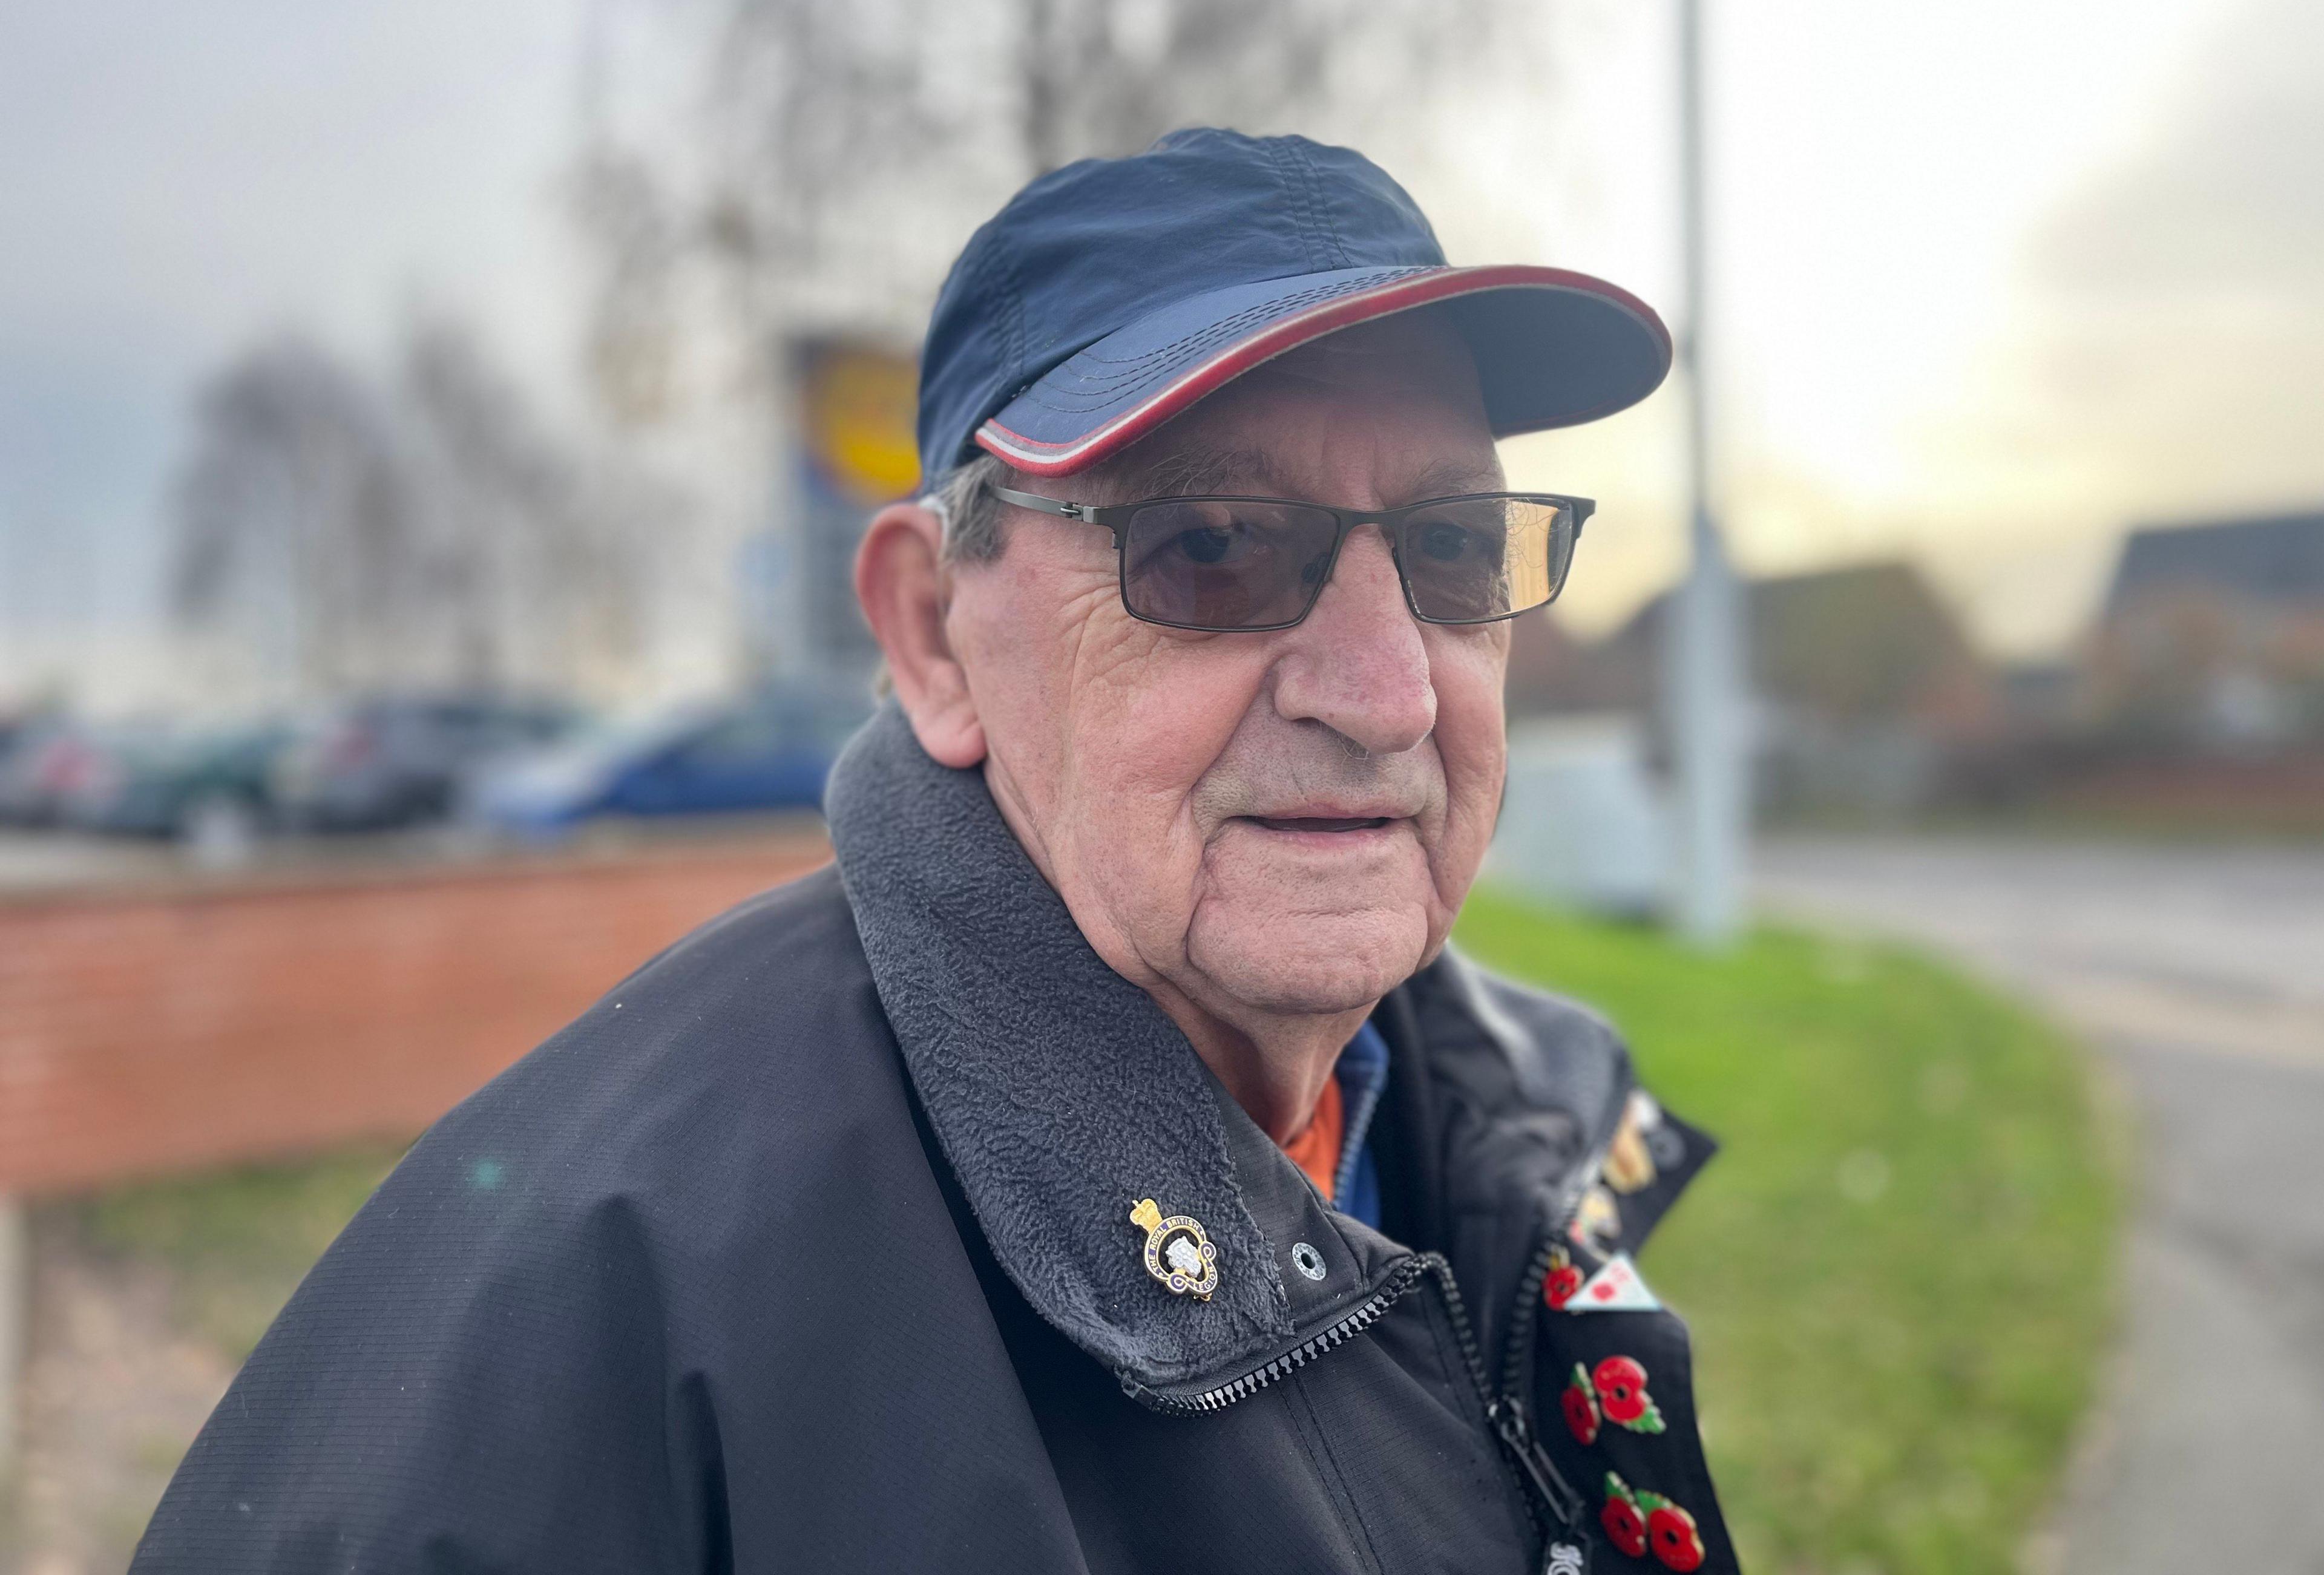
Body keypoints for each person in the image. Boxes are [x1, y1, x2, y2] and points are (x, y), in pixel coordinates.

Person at [133, 128, 1736, 1574]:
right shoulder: (585, 1317)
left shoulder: (1526, 1110)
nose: (1387, 693)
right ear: (934, 635)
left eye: (1455, 549)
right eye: (1215, 548)